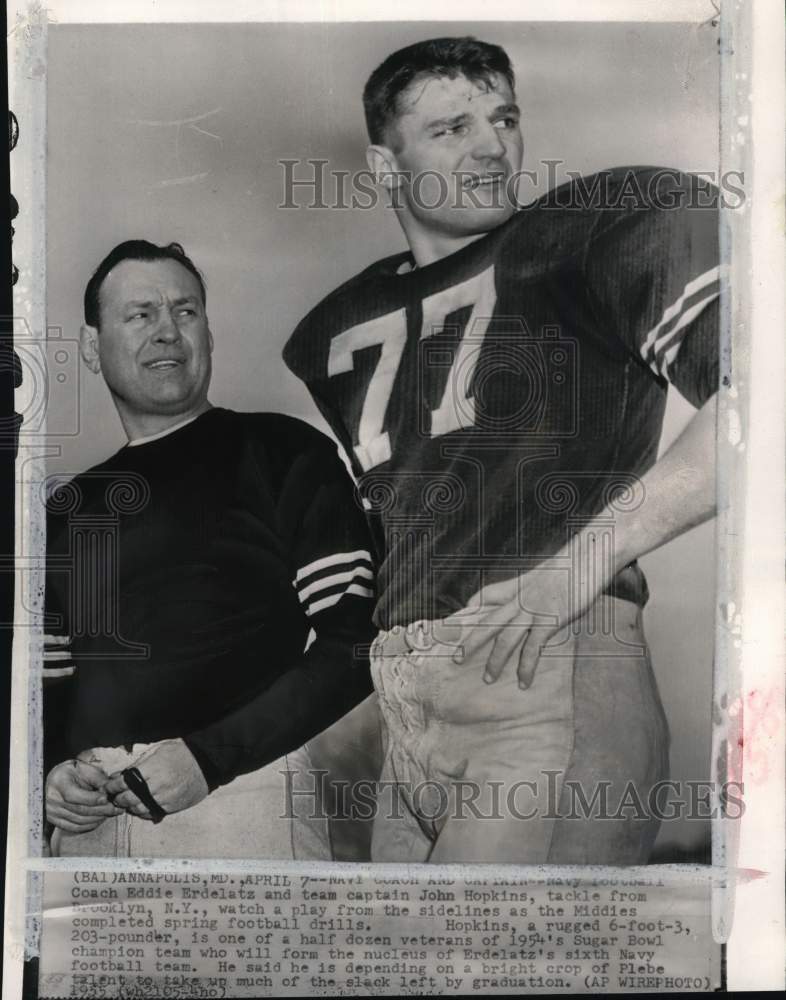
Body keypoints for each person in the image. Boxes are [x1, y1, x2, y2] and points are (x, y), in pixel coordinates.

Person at [283, 37, 720, 864]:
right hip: (409, 705)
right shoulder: (338, 332)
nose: (491, 146)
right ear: (384, 166)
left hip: (549, 664)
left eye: (504, 117)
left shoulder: (599, 225)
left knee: (481, 968)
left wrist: (579, 565)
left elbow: (760, 405)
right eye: (451, 128)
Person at [44, 239, 376, 858]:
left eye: (186, 311)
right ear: (92, 348)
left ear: (209, 332)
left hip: (239, 800)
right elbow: (48, 684)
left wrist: (208, 758)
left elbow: (355, 641)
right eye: (140, 314)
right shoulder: (63, 510)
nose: (167, 331)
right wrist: (53, 774)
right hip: (89, 828)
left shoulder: (282, 452)